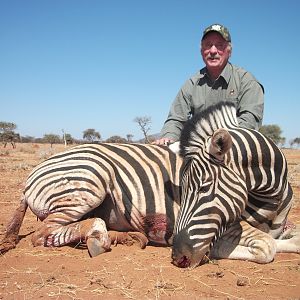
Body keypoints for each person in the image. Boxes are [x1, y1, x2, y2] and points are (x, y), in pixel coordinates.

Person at [154, 23, 264, 145]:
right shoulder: (192, 83)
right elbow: (176, 119)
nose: (213, 51)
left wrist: (217, 141)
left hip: (233, 148)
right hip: (199, 151)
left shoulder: (246, 81)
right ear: (202, 51)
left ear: (229, 51)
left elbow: (249, 120)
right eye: (208, 45)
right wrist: (168, 137)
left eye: (219, 45)